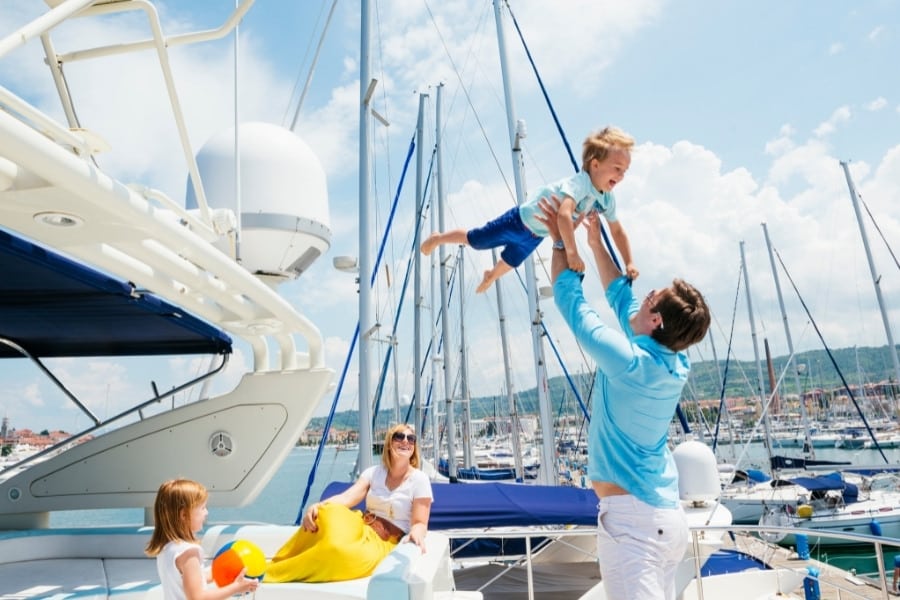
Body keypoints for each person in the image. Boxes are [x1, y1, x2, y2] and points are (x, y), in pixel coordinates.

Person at [537, 198, 710, 600]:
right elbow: (620, 296)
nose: (645, 294)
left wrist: (562, 240)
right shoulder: (673, 359)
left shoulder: (631, 361)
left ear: (656, 322)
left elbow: (571, 305)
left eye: (652, 298)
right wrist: (596, 242)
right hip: (662, 519)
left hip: (635, 525)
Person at [420, 126, 638, 293]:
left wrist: (629, 261)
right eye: (617, 169)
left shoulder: (607, 199)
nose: (621, 176)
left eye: (625, 171)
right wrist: (572, 253)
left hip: (536, 234)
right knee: (477, 240)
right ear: (595, 164)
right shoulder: (580, 183)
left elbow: (617, 232)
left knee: (511, 261)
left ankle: (491, 275)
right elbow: (563, 215)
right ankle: (438, 238)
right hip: (519, 220)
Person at [265, 424, 433, 583]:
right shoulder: (373, 473)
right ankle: (280, 561)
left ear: (414, 447)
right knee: (324, 513)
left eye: (411, 439)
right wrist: (316, 506)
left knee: (337, 550)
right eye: (399, 436)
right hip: (361, 525)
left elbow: (420, 522)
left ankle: (275, 573)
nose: (406, 441)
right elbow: (347, 498)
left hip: (385, 541)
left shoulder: (419, 480)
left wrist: (416, 533)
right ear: (389, 443)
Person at [145, 478, 260, 600]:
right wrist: (236, 588)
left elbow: (190, 580)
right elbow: (197, 597)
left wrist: (221, 571)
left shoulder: (168, 548)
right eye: (202, 508)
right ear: (184, 515)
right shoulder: (189, 552)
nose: (206, 513)